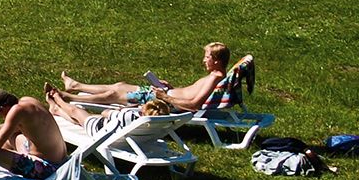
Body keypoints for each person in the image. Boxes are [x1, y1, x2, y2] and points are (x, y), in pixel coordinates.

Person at [55, 43, 231, 111]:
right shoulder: (214, 75)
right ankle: (76, 86)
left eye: (207, 57)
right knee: (120, 84)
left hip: (165, 102)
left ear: (216, 60)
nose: (204, 60)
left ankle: (68, 97)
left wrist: (165, 96)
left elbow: (194, 105)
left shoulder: (214, 78)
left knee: (114, 95)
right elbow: (189, 94)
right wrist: (170, 87)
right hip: (166, 95)